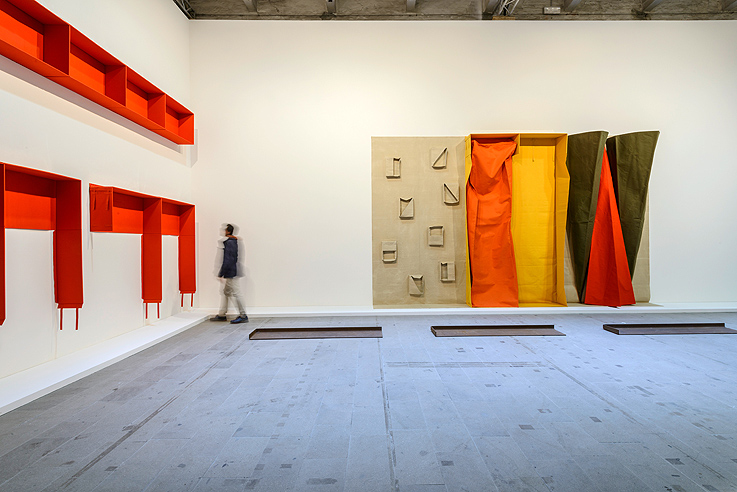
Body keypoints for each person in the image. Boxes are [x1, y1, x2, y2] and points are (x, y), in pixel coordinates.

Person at [211, 224, 248, 323]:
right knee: (226, 292)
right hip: (231, 271)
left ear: (228, 231)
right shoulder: (234, 241)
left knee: (236, 293)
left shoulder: (230, 242)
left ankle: (243, 315)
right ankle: (222, 314)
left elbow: (228, 259)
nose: (221, 230)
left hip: (231, 272)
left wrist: (221, 273)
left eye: (223, 229)